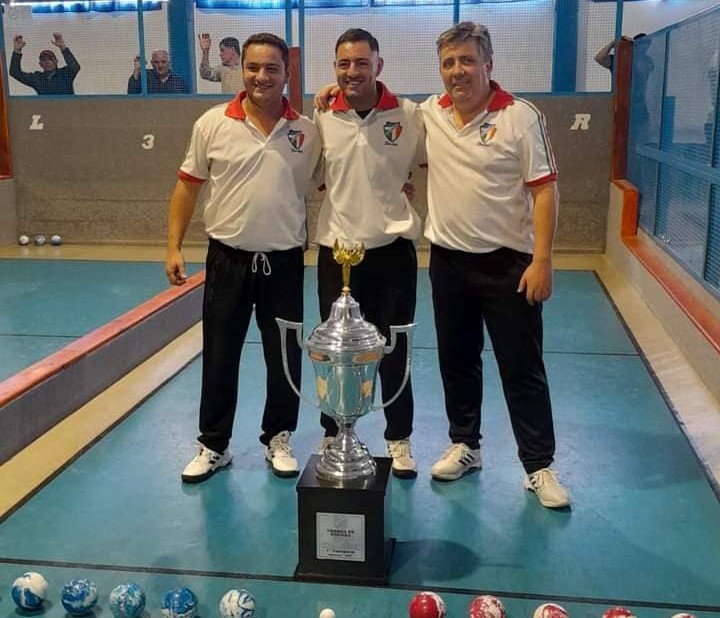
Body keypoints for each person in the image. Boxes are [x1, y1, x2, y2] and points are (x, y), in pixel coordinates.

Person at [421, 22, 570, 508]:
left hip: (509, 265)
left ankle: (538, 465)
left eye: (467, 60)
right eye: (448, 63)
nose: (457, 71)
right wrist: (334, 92)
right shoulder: (430, 114)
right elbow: (379, 112)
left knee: (521, 367)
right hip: (447, 262)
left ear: (488, 64)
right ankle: (466, 444)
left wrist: (542, 260)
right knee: (457, 360)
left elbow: (544, 190)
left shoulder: (520, 116)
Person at [166, 33, 320, 483]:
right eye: (253, 67)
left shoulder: (307, 131)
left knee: (284, 357)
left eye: (272, 68)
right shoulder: (212, 123)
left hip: (284, 263)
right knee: (219, 353)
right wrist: (173, 246)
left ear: (286, 73)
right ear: (241, 71)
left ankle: (279, 437)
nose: (261, 76)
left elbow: (334, 178)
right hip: (227, 261)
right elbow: (187, 186)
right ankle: (214, 443)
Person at [313, 28, 423, 479]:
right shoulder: (321, 115)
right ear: (334, 68)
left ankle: (399, 437)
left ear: (379, 65)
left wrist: (410, 192)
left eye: (362, 62)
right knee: (335, 351)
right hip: (336, 254)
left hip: (393, 252)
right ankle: (333, 433)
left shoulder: (411, 115)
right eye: (344, 64)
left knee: (394, 349)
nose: (352, 71)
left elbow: (436, 164)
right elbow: (314, 175)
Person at [9, 33, 80, 95]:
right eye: (43, 59)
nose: (47, 62)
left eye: (50, 59)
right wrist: (17, 51)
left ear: (56, 61)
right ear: (40, 64)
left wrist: (62, 47)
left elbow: (75, 67)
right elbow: (15, 72)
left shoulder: (65, 74)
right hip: (45, 106)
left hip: (67, 106)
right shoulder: (37, 78)